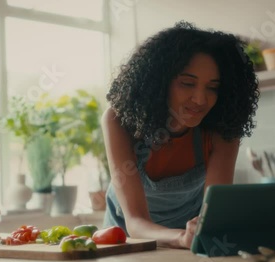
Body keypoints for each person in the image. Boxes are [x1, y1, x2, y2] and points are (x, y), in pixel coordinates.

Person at [101, 21, 259, 249]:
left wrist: (195, 235)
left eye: (212, 87)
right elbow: (135, 222)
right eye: (187, 83)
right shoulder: (118, 122)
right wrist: (180, 237)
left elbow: (213, 215)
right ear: (160, 81)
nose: (200, 99)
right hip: (125, 242)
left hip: (190, 244)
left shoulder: (222, 131)